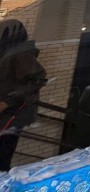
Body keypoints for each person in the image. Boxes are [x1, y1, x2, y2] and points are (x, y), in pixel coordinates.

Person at [0, 19, 47, 171]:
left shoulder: (20, 54)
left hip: (10, 117)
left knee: (2, 157)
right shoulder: (7, 53)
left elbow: (37, 79)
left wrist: (7, 102)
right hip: (7, 116)